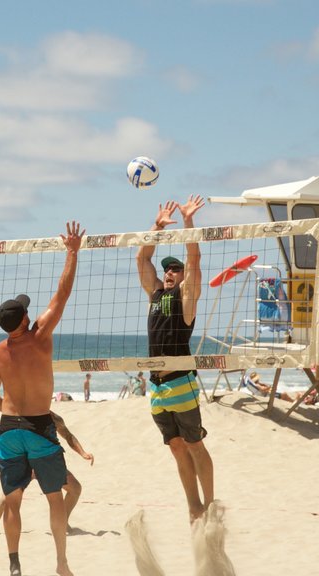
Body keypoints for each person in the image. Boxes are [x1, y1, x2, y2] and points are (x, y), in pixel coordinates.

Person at [0, 220, 84, 576]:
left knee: (12, 501)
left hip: (9, 429)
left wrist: (10, 410)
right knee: (54, 498)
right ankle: (61, 563)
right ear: (26, 318)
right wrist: (72, 252)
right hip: (40, 426)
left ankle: (14, 564)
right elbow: (63, 293)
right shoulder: (40, 336)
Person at [135, 195, 215, 523]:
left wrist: (188, 222)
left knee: (195, 445)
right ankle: (193, 506)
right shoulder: (154, 294)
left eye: (175, 269)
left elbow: (194, 260)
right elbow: (142, 258)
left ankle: (209, 506)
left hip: (181, 382)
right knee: (177, 447)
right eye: (167, 268)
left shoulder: (186, 298)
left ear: (182, 277)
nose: (170, 272)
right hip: (157, 387)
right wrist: (156, 226)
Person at [0, 411, 94, 534]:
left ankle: (63, 523)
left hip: (46, 462)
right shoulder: (18, 415)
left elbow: (68, 435)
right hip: (24, 463)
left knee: (75, 488)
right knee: (6, 499)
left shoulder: (53, 418)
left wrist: (83, 453)